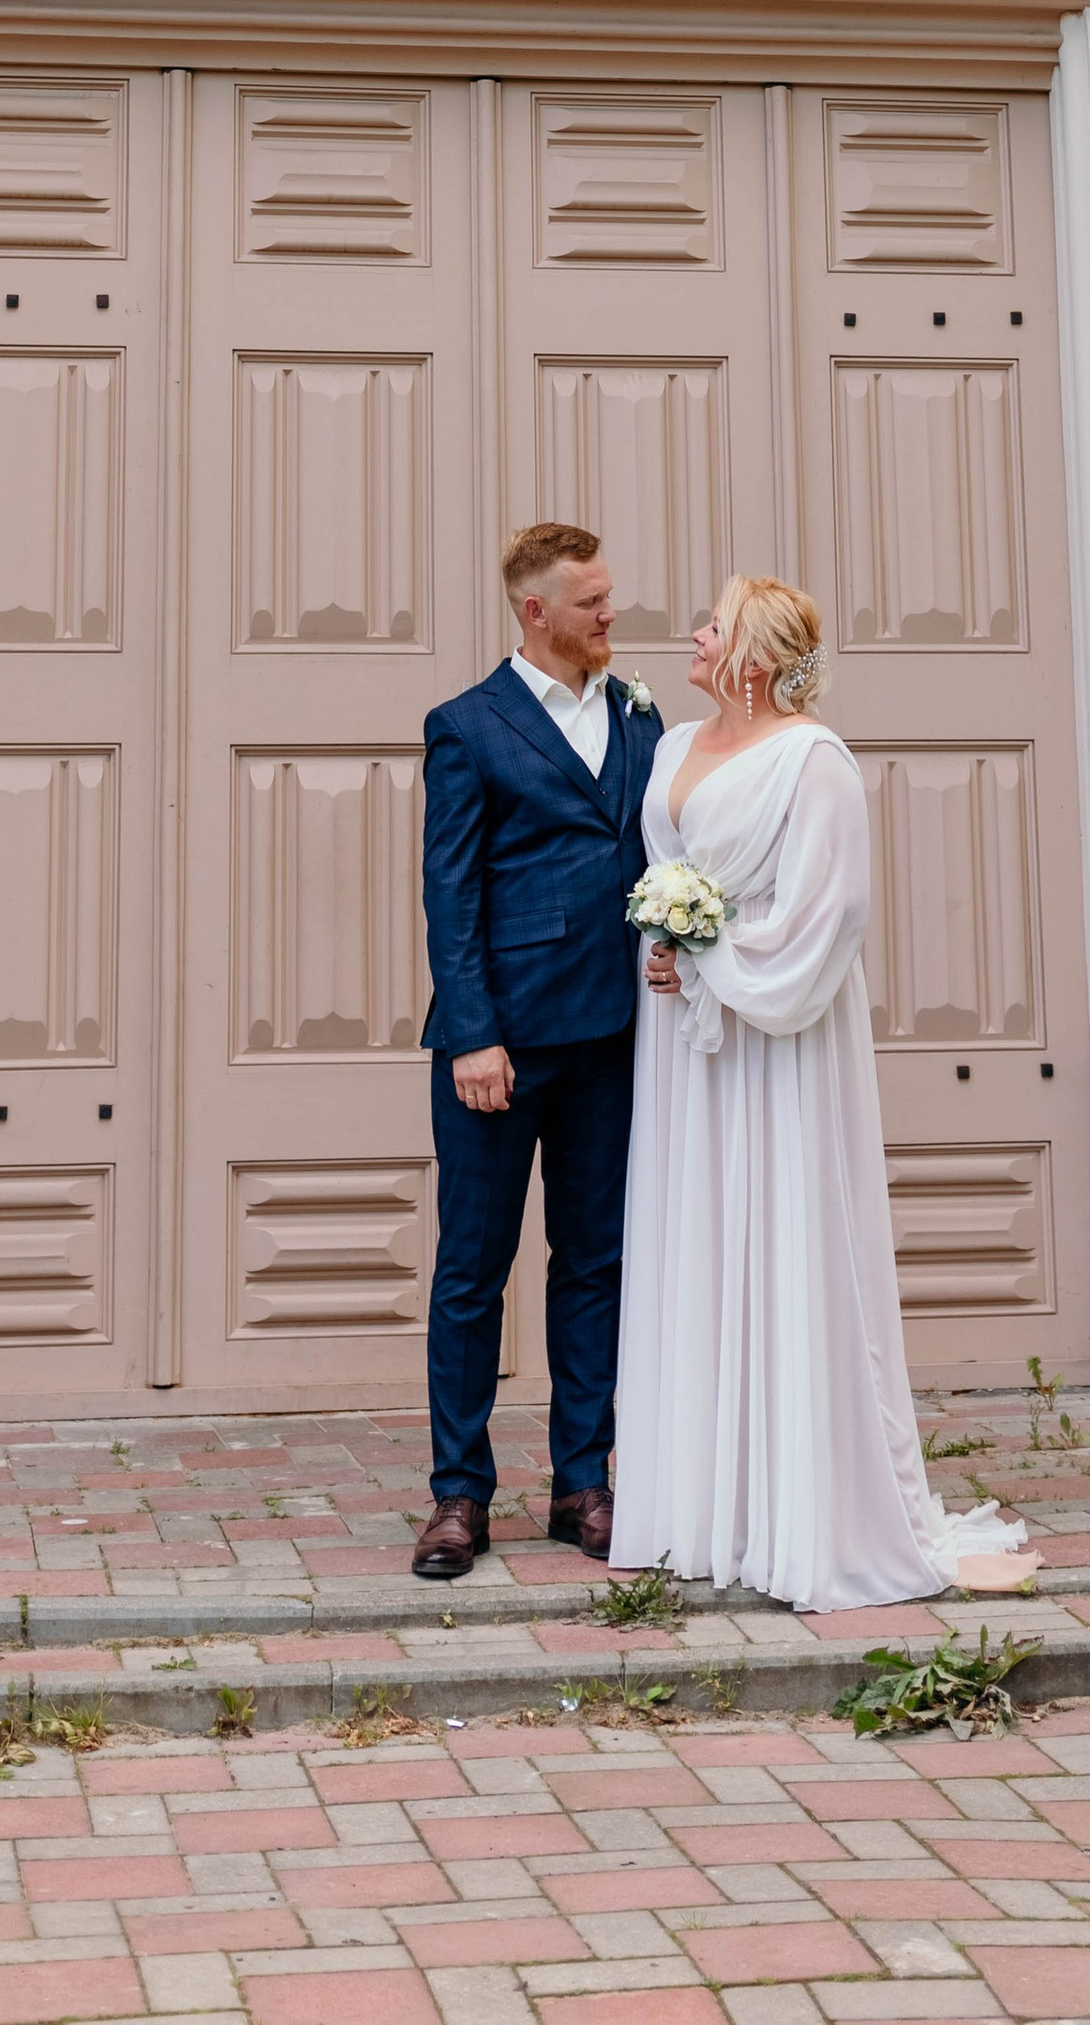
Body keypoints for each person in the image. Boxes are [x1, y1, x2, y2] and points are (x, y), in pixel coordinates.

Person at [610, 574, 1028, 1612]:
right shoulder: (669, 751)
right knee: (695, 1239)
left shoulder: (814, 760)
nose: (693, 636)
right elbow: (663, 880)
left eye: (712, 624)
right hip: (687, 1047)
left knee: (784, 1234)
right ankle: (702, 1505)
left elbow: (828, 916)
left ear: (750, 654)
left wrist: (710, 956)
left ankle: (802, 1507)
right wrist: (664, 950)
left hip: (778, 1040)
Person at [412, 521, 654, 1582]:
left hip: (614, 1035)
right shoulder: (468, 726)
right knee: (474, 1271)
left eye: (609, 596)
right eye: (590, 601)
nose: (611, 614)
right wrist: (474, 1033)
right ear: (534, 611)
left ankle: (582, 1483)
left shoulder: (640, 717)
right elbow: (450, 894)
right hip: (500, 1048)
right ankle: (459, 1495)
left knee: (592, 1264)